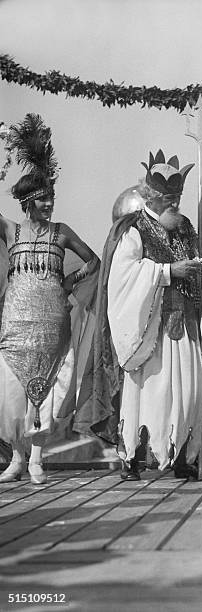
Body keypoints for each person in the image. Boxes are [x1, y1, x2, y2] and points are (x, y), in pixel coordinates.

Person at [80, 148, 202, 481]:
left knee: (187, 394)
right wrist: (169, 271)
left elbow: (200, 268)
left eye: (177, 197)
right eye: (167, 198)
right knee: (149, 395)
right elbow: (124, 276)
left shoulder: (186, 228)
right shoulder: (134, 230)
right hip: (149, 331)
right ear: (151, 198)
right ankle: (133, 459)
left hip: (184, 324)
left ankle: (185, 457)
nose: (174, 204)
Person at [0, 114, 99, 484]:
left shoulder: (62, 232)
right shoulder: (10, 230)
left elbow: (93, 261)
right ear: (27, 202)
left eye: (51, 198)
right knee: (11, 391)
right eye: (43, 199)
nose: (49, 204)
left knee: (44, 389)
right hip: (15, 321)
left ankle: (38, 459)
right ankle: (16, 458)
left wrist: (68, 283)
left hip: (52, 319)